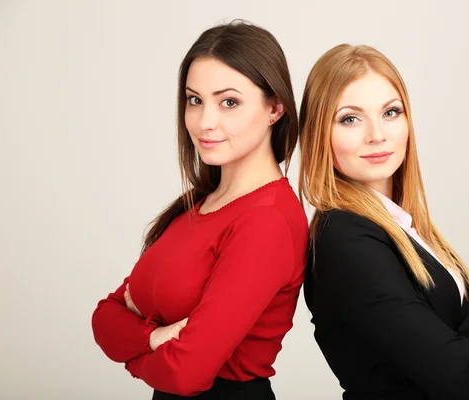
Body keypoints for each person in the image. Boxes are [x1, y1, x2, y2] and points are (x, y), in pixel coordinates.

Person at [91, 20, 308, 400]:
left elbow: (185, 373)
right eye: (195, 100)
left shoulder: (266, 220)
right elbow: (104, 317)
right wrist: (157, 337)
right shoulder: (197, 205)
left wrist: (133, 354)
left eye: (229, 102)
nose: (205, 122)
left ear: (275, 108)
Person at [298, 44, 469, 400]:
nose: (376, 135)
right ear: (320, 132)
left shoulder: (397, 225)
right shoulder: (345, 239)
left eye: (391, 112)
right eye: (350, 118)